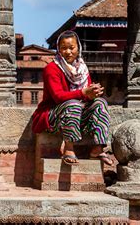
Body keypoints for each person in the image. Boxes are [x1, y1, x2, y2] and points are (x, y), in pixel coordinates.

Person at [31, 30, 112, 166]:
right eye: (64, 48)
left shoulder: (82, 69)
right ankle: (69, 148)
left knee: (100, 103)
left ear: (78, 47)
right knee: (72, 104)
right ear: (58, 49)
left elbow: (86, 95)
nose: (68, 52)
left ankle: (98, 149)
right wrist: (83, 93)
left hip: (78, 115)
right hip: (54, 116)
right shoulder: (52, 69)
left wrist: (93, 93)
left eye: (71, 48)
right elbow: (58, 96)